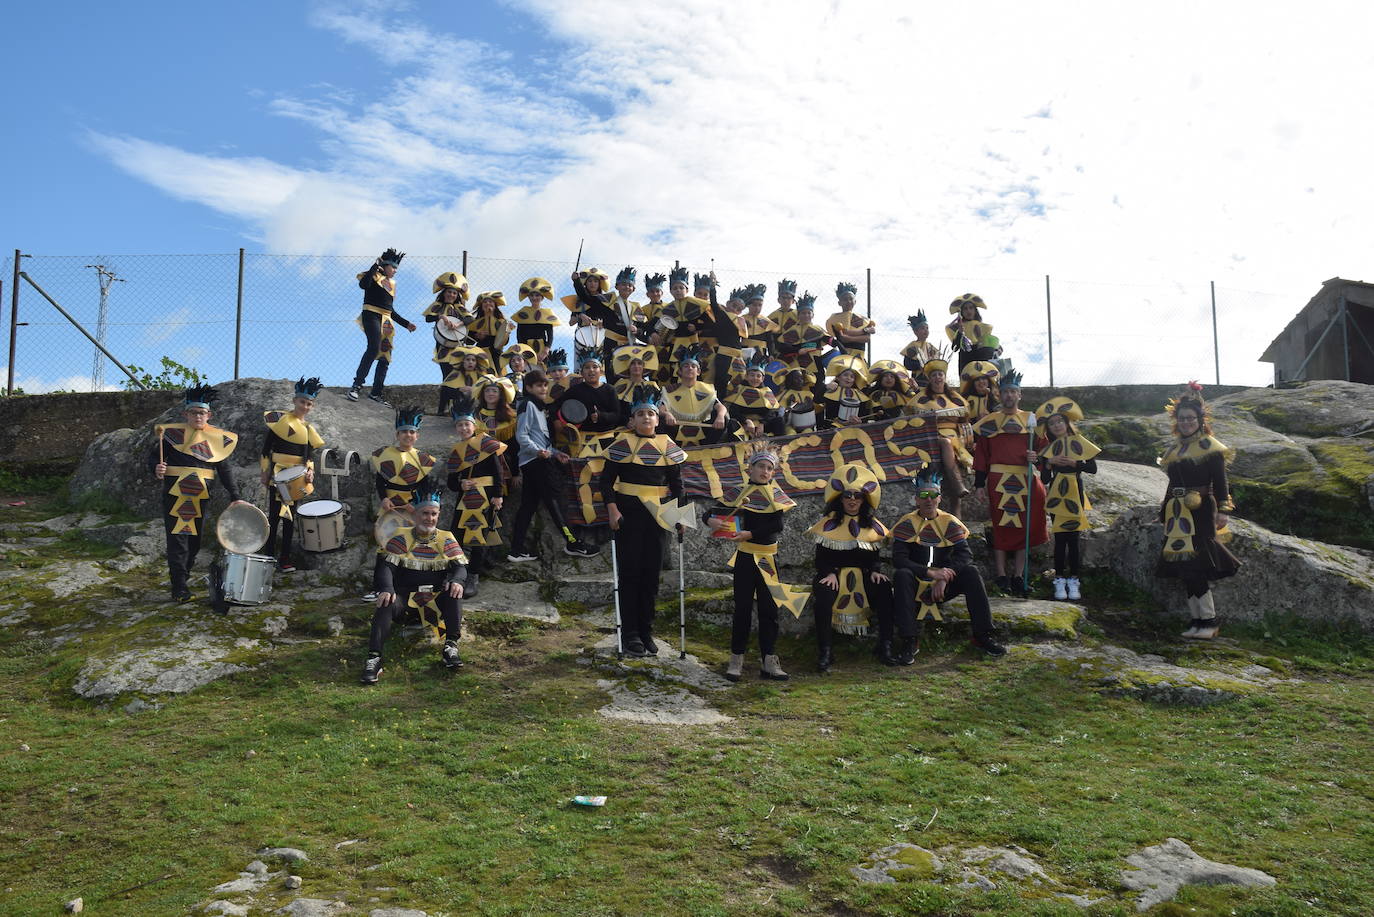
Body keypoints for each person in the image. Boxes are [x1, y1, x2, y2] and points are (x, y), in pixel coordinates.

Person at [704, 443, 807, 682]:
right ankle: (736, 659)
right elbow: (710, 512)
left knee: (769, 610)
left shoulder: (776, 494)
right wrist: (711, 521)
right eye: (761, 466)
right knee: (741, 609)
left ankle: (769, 660)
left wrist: (750, 533)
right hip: (745, 557)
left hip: (768, 559)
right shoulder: (739, 492)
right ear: (750, 469)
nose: (765, 471)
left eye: (769, 468)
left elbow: (776, 525)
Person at [601, 386, 687, 656]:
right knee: (630, 574)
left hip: (659, 517)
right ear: (632, 420)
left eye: (650, 414)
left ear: (657, 419)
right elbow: (605, 482)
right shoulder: (621, 444)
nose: (646, 418)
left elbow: (678, 485)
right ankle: (630, 633)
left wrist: (680, 516)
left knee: (651, 575)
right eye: (640, 414)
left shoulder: (668, 446)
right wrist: (612, 510)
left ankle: (646, 630)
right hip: (629, 515)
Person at [891, 465, 1007, 660]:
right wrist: (930, 573)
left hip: (943, 585)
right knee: (902, 575)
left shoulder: (949, 522)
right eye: (923, 495)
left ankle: (982, 635)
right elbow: (899, 559)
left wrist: (944, 576)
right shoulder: (906, 523)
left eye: (933, 495)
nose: (928, 499)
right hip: (916, 584)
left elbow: (965, 555)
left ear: (939, 498)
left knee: (971, 572)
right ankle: (909, 640)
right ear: (916, 499)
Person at [150, 385, 250, 603]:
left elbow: (224, 469)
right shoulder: (171, 436)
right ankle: (179, 587)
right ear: (185, 414)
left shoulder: (216, 439)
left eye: (202, 413)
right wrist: (156, 468)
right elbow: (155, 458)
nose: (198, 416)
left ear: (209, 415)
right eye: (193, 412)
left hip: (200, 496)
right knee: (178, 540)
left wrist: (235, 495)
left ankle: (183, 578)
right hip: (176, 495)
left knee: (194, 541)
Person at [1157, 382, 1240, 639]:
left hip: (1202, 510)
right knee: (1184, 567)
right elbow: (1172, 484)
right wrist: (1164, 510)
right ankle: (1196, 621)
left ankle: (1209, 623)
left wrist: (1223, 510)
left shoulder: (1211, 448)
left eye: (1190, 418)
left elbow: (1221, 481)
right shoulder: (1174, 450)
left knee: (1197, 564)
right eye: (1182, 418)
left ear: (1200, 419)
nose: (1186, 422)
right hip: (1178, 512)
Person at [361, 490, 467, 684]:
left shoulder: (446, 538)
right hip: (405, 605)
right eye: (425, 513)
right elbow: (386, 567)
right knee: (386, 601)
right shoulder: (401, 537)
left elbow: (460, 568)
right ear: (415, 515)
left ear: (438, 515)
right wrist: (387, 588)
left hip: (434, 605)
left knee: (454, 592)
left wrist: (458, 581)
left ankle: (451, 646)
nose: (429, 518)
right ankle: (374, 658)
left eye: (433, 514)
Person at [808, 463, 893, 672]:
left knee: (884, 589)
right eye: (847, 495)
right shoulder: (828, 523)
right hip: (833, 575)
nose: (852, 500)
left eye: (858, 496)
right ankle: (825, 651)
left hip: (864, 576)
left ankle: (885, 646)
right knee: (823, 597)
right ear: (840, 498)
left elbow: (874, 557)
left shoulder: (872, 525)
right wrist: (829, 573)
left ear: (864, 500)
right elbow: (820, 559)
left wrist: (875, 571)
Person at [508, 368, 599, 561]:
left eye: (544, 385)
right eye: (538, 385)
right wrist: (539, 452)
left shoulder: (540, 407)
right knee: (556, 501)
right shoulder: (528, 404)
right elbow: (521, 436)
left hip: (535, 460)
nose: (543, 388)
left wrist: (556, 454)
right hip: (537, 462)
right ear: (529, 388)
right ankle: (573, 543)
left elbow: (542, 440)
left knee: (528, 506)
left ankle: (516, 550)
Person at [972, 367, 1048, 595]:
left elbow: (1043, 450)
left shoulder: (1030, 420)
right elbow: (982, 454)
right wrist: (979, 484)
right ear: (999, 394)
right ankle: (1001, 575)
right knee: (1002, 525)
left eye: (1013, 391)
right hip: (999, 479)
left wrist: (1036, 458)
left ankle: (1018, 576)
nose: (1009, 395)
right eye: (1005, 391)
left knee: (1024, 527)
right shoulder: (990, 421)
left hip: (1025, 478)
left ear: (1019, 394)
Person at [1035, 397, 1100, 601]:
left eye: (1059, 421)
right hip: (1056, 494)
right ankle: (1059, 580)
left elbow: (1092, 468)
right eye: (1052, 423)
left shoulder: (1080, 442)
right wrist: (1048, 463)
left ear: (1066, 422)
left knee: (1073, 539)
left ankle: (1074, 580)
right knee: (1060, 539)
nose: (1056, 425)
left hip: (1075, 492)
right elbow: (1045, 479)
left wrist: (1075, 464)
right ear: (1048, 428)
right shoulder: (1048, 449)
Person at [444, 391, 507, 600]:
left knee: (479, 537)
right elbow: (451, 482)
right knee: (456, 535)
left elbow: (498, 472)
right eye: (459, 425)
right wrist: (461, 484)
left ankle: (473, 576)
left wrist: (498, 495)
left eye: (467, 424)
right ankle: (456, 573)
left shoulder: (486, 443)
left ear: (474, 425)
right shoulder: (457, 450)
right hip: (465, 499)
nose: (463, 428)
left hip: (485, 496)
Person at [260, 377, 325, 573]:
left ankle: (285, 559)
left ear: (312, 406)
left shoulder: (308, 429)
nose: (305, 406)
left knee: (289, 518)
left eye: (309, 404)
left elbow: (309, 455)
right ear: (295, 400)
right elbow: (266, 450)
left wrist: (310, 471)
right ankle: (268, 557)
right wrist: (265, 472)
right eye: (302, 402)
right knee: (274, 517)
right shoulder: (280, 422)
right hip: (278, 474)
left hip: (297, 478)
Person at [906, 349, 973, 512]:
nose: (937, 378)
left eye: (940, 374)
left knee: (948, 444)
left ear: (944, 377)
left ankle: (956, 512)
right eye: (934, 375)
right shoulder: (921, 399)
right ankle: (957, 484)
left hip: (956, 440)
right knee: (945, 443)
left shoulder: (955, 398)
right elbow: (911, 423)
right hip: (931, 439)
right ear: (929, 378)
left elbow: (964, 421)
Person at [349, 248, 417, 405]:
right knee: (373, 347)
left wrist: (406, 324)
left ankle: (376, 393)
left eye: (396, 268)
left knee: (385, 355)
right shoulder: (373, 276)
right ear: (384, 265)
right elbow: (363, 285)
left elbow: (389, 309)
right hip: (371, 315)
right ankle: (357, 385)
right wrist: (375, 266)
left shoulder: (391, 284)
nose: (395, 271)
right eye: (393, 267)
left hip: (386, 320)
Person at [370, 407, 439, 522]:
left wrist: (416, 504)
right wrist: (384, 498)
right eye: (404, 431)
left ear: (417, 436)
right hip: (390, 504)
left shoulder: (422, 459)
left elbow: (424, 486)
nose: (408, 435)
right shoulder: (385, 455)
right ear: (397, 435)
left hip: (411, 507)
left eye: (412, 432)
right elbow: (380, 481)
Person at [659, 345, 731, 447]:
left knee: (723, 417)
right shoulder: (670, 389)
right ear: (680, 371)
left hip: (702, 429)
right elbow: (661, 408)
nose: (690, 368)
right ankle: (671, 447)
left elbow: (721, 407)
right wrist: (667, 414)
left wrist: (720, 417)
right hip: (677, 428)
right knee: (660, 420)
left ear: (698, 372)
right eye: (686, 366)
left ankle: (707, 447)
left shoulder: (706, 388)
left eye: (693, 366)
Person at [424, 272, 471, 415]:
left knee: (457, 377)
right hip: (443, 347)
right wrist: (441, 317)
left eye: (454, 293)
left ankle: (454, 408)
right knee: (447, 377)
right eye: (449, 292)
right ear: (444, 293)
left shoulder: (459, 307)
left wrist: (458, 324)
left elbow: (470, 319)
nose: (451, 295)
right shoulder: (437, 305)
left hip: (458, 347)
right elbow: (428, 318)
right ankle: (443, 409)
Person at [724, 355, 784, 437]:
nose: (755, 378)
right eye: (752, 375)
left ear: (762, 379)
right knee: (733, 423)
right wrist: (746, 421)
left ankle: (779, 443)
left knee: (779, 420)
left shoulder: (766, 391)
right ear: (746, 377)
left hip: (761, 425)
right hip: (744, 424)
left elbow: (772, 412)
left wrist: (762, 424)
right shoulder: (739, 389)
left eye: (758, 376)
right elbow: (733, 411)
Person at [774, 293, 829, 376]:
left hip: (815, 365)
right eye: (803, 313)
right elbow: (781, 346)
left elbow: (830, 340)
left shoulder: (818, 329)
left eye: (809, 313)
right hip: (795, 366)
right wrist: (797, 350)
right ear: (798, 315)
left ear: (813, 315)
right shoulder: (792, 331)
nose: (806, 315)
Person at [510, 276, 562, 365]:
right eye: (531, 295)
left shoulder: (547, 314)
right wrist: (524, 351)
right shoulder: (523, 313)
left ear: (542, 297)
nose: (534, 297)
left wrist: (546, 350)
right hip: (527, 348)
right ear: (528, 297)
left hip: (542, 350)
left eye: (537, 295)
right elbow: (519, 335)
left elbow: (550, 335)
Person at [945, 293, 998, 373]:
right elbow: (955, 348)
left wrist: (980, 337)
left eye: (971, 308)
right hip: (965, 360)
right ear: (961, 312)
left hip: (981, 361)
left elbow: (989, 348)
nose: (968, 311)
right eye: (965, 309)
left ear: (975, 310)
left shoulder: (985, 327)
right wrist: (960, 333)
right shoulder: (954, 327)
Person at [612, 343, 662, 424]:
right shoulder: (620, 385)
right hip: (624, 426)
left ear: (643, 367)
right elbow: (615, 411)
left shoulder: (652, 385)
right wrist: (626, 422)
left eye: (639, 363)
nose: (636, 366)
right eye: (633, 363)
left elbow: (658, 407)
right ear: (628, 367)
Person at [825, 281, 875, 358]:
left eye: (851, 299)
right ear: (839, 303)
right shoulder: (834, 318)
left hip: (859, 355)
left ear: (855, 301)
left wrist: (849, 337)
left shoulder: (864, 320)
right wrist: (864, 331)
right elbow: (843, 336)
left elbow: (867, 338)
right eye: (845, 299)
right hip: (842, 355)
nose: (848, 301)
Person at [822, 355, 871, 427]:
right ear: (838, 377)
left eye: (852, 376)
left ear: (854, 380)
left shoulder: (861, 395)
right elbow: (829, 416)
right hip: (834, 429)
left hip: (855, 428)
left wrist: (860, 421)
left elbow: (864, 415)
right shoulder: (830, 392)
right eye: (845, 375)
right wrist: (825, 387)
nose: (848, 378)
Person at [467, 290, 512, 369]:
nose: (488, 303)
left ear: (495, 305)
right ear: (481, 306)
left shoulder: (502, 322)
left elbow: (505, 341)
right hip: (480, 353)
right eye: (485, 302)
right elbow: (468, 341)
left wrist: (507, 331)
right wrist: (477, 336)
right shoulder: (475, 323)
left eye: (490, 302)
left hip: (496, 354)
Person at [741, 284, 779, 359]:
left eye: (760, 305)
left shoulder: (765, 321)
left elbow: (770, 340)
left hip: (761, 353)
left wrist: (771, 354)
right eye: (754, 305)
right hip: (744, 352)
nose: (757, 308)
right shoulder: (742, 319)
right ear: (748, 305)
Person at [900, 311, 939, 382]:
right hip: (918, 378)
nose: (926, 330)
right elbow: (907, 364)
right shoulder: (912, 346)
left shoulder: (930, 347)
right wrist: (920, 366)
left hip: (931, 378)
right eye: (922, 328)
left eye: (927, 328)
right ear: (915, 332)